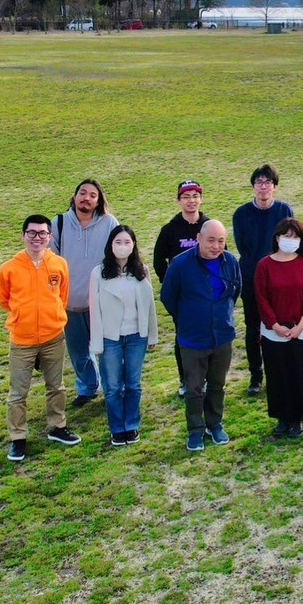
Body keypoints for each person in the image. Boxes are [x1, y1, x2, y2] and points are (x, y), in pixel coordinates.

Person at [0, 215, 81, 461]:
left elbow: (62, 297)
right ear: (23, 236)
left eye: (42, 233)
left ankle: (58, 427)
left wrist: (51, 318)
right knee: (18, 392)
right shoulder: (9, 269)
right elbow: (4, 300)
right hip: (22, 340)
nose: (37, 238)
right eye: (32, 233)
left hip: (53, 336)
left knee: (56, 386)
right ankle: (18, 438)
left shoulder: (59, 264)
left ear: (50, 237)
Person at [161, 220, 241, 449]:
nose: (216, 246)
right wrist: (190, 318)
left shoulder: (231, 262)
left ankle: (214, 424)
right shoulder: (180, 264)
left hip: (222, 336)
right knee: (194, 388)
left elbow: (235, 291)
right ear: (199, 238)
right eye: (211, 240)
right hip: (192, 339)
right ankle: (195, 429)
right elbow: (168, 297)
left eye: (221, 241)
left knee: (217, 385)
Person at [50, 178, 119, 408]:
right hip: (69, 302)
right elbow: (50, 262)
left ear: (99, 201)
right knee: (79, 352)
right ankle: (88, 387)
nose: (86, 198)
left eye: (92, 195)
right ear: (75, 196)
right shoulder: (59, 223)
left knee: (106, 349)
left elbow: (119, 256)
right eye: (82, 192)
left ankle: (113, 387)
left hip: (101, 302)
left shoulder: (109, 224)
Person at [88, 224, 158, 446]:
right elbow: (94, 311)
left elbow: (150, 306)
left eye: (127, 242)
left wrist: (152, 336)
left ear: (134, 245)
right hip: (111, 339)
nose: (122, 246)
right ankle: (117, 428)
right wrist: (97, 343)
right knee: (113, 387)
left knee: (133, 384)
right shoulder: (98, 273)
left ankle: (132, 425)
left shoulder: (141, 271)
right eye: (118, 242)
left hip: (137, 336)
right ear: (110, 245)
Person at [255, 217, 303, 438]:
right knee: (277, 376)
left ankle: (297, 419)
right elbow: (262, 299)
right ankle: (282, 418)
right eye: (286, 236)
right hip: (273, 332)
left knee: (297, 375)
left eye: (295, 237)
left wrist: (301, 325)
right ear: (277, 238)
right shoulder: (264, 265)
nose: (290, 240)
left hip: (300, 331)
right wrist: (274, 325)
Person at [232, 164, 294, 396]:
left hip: (280, 279)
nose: (263, 186)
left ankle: (280, 372)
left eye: (268, 182)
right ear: (253, 186)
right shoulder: (241, 214)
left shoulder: (284, 210)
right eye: (259, 182)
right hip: (251, 278)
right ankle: (256, 375)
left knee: (280, 326)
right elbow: (243, 247)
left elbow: (290, 243)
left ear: (275, 186)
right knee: (253, 328)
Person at [153, 180, 207, 397]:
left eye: (195, 196)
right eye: (186, 196)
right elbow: (159, 261)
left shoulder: (209, 225)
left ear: (201, 199)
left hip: (206, 295)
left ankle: (204, 380)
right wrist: (171, 286)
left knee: (206, 337)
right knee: (183, 338)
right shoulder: (170, 230)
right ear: (178, 200)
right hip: (183, 298)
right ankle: (185, 380)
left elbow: (223, 255)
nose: (191, 201)